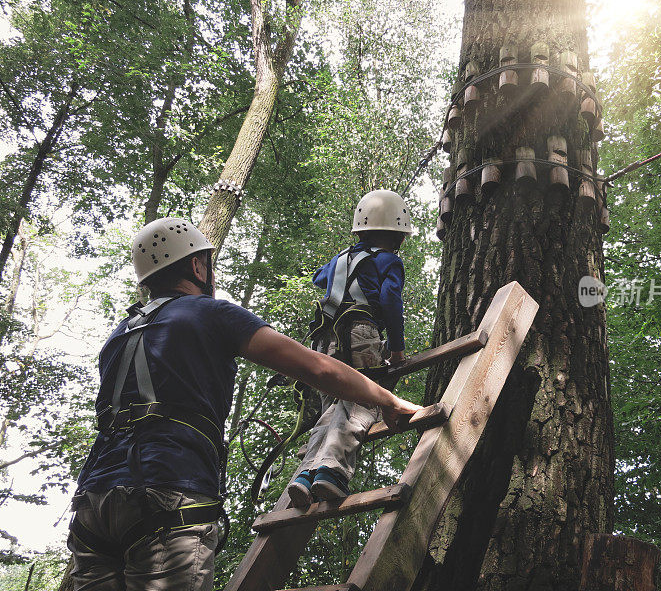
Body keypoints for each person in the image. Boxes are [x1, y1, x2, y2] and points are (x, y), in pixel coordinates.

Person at [67, 217, 420, 591]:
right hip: (168, 490)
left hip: (92, 505)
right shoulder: (209, 313)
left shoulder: (118, 335)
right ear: (196, 265)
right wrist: (387, 398)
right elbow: (319, 368)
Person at [287, 190, 412, 507]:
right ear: (397, 235)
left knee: (332, 408)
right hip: (358, 332)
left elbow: (319, 278)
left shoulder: (340, 260)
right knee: (364, 398)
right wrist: (396, 350)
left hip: (324, 342)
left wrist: (344, 263)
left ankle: (305, 475)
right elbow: (390, 302)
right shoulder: (389, 261)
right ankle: (331, 471)